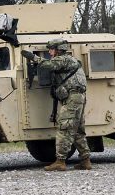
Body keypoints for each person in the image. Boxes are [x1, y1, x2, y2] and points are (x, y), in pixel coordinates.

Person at [21, 38, 92, 171]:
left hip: (72, 98)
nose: (50, 52)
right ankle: (85, 160)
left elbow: (48, 65)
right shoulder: (70, 60)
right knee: (77, 130)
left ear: (59, 50)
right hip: (77, 97)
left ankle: (60, 161)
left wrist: (33, 58)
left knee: (64, 128)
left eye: (51, 49)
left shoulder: (64, 59)